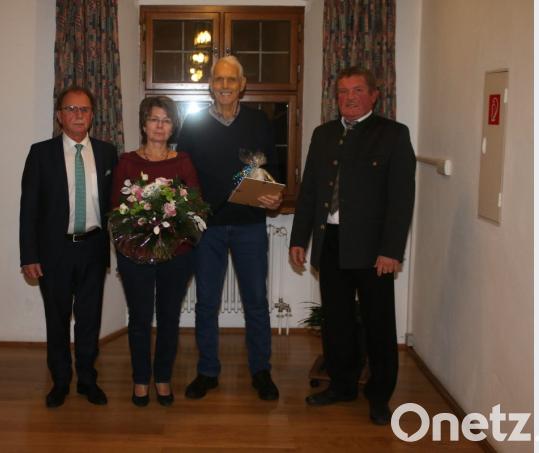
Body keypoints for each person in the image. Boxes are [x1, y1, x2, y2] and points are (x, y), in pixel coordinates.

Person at [289, 66, 416, 425]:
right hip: (330, 242)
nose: (349, 97)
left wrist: (391, 250)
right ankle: (342, 385)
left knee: (378, 323)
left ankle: (379, 396)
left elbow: (401, 199)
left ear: (374, 95)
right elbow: (311, 191)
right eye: (343, 91)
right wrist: (300, 239)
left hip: (374, 250)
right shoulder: (324, 134)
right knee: (337, 321)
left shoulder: (392, 134)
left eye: (357, 90)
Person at [176, 56, 282, 401]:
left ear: (243, 84)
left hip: (250, 225)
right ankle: (208, 371)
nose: (224, 85)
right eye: (218, 79)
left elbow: (272, 169)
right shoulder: (191, 125)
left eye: (231, 80)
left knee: (255, 302)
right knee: (206, 303)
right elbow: (182, 176)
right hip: (208, 228)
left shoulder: (259, 121)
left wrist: (273, 198)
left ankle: (261, 371)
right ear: (210, 84)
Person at [19, 86, 118, 408]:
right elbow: (29, 209)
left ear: (92, 116)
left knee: (89, 320)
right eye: (71, 109)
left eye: (85, 110)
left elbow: (117, 204)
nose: (78, 115)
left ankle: (88, 380)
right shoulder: (40, 153)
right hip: (54, 252)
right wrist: (29, 255)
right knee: (58, 319)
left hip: (92, 248)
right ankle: (60, 381)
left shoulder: (107, 153)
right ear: (59, 116)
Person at [110, 96, 201, 407]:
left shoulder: (183, 161)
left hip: (176, 255)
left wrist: (172, 229)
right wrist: (138, 235)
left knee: (168, 319)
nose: (160, 125)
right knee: (139, 319)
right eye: (154, 119)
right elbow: (116, 212)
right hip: (135, 256)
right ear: (144, 124)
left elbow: (194, 210)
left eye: (165, 120)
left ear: (172, 125)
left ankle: (162, 377)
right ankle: (139, 380)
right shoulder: (127, 162)